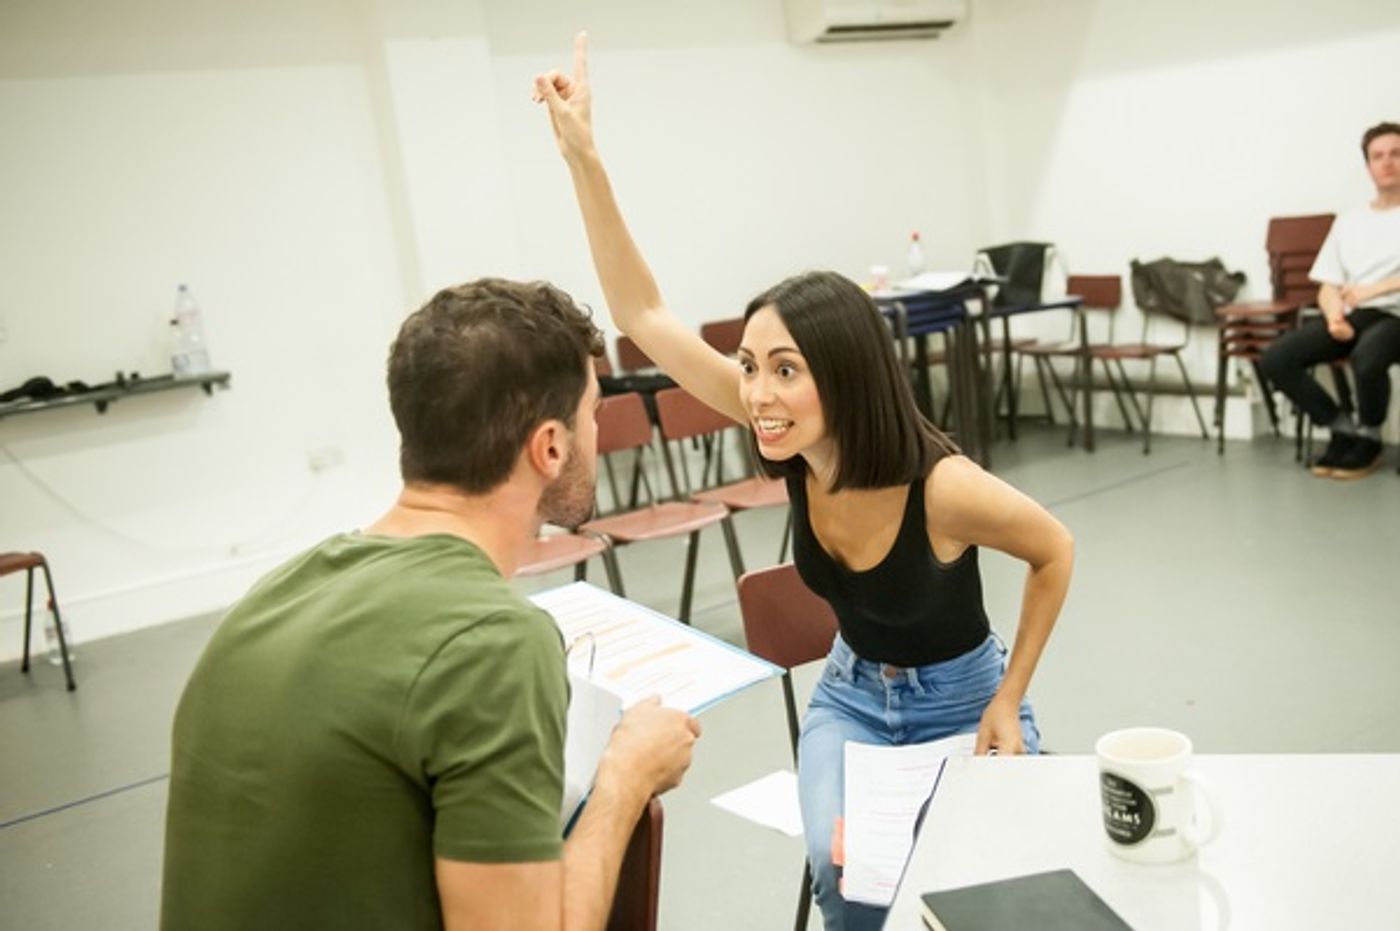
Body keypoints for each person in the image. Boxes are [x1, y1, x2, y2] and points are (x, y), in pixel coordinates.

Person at [534, 35, 1074, 931]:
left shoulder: (939, 488)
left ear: (845, 375)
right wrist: (583, 154)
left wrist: (1010, 697)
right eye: (750, 366)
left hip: (962, 696)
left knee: (985, 891)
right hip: (852, 692)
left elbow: (1054, 549)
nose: (757, 393)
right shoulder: (779, 433)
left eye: (785, 369)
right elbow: (642, 314)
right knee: (842, 874)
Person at [160, 279, 701, 931]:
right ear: (550, 446)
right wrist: (626, 774)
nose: (598, 424)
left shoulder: (275, 594)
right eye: (593, 409)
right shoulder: (495, 641)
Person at [1261, 121, 1400, 480]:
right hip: (1355, 315)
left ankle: (1370, 438)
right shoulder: (1350, 220)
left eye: (1396, 154)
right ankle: (1342, 428)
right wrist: (1334, 315)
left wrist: (1373, 290)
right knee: (1277, 358)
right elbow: (1327, 283)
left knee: (1366, 359)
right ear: (1368, 165)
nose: (1388, 163)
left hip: (1395, 316)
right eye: (1378, 156)